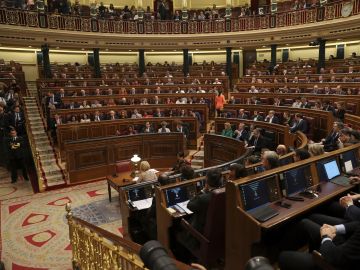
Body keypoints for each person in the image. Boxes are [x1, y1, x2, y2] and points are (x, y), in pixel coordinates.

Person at [177, 169, 223, 252]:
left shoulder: (203, 198)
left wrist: (203, 191)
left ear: (207, 182)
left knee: (178, 225)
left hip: (201, 232)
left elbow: (189, 205)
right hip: (219, 232)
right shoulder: (225, 193)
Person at [145, 174, 173, 240]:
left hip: (161, 219)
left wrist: (147, 216)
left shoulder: (158, 195)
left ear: (159, 183)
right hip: (170, 217)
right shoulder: (172, 189)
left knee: (146, 218)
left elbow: (151, 212)